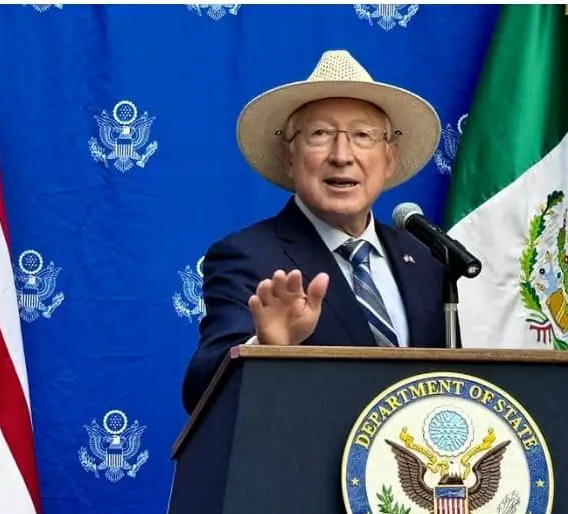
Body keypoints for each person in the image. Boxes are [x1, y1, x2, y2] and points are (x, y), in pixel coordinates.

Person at [182, 50, 451, 415]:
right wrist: (265, 347)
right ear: (290, 158)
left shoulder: (425, 259)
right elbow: (200, 390)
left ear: (389, 159)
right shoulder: (245, 256)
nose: (342, 155)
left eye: (362, 135)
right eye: (321, 134)